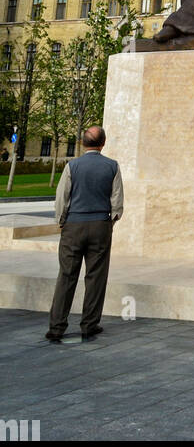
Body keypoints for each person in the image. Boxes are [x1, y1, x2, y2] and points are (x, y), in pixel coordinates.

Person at [46, 126, 123, 342]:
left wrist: (62, 221)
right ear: (103, 143)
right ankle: (89, 324)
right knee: (96, 276)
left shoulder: (73, 166)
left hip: (73, 225)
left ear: (82, 143)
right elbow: (117, 202)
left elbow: (62, 197)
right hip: (100, 225)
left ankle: (57, 327)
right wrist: (110, 222)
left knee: (67, 276)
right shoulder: (112, 166)